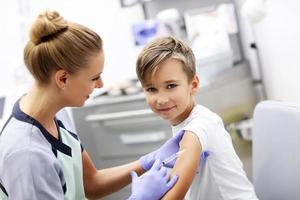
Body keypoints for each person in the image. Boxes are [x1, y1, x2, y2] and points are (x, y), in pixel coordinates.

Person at [0, 11, 184, 200]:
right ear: (63, 78)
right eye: (94, 77)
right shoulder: (27, 155)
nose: (101, 85)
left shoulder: (56, 114)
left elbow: (91, 184)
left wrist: (148, 162)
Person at [135, 36, 259, 200]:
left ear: (193, 85)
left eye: (171, 86)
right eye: (151, 89)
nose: (161, 99)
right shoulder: (186, 121)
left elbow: (174, 197)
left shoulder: (197, 128)